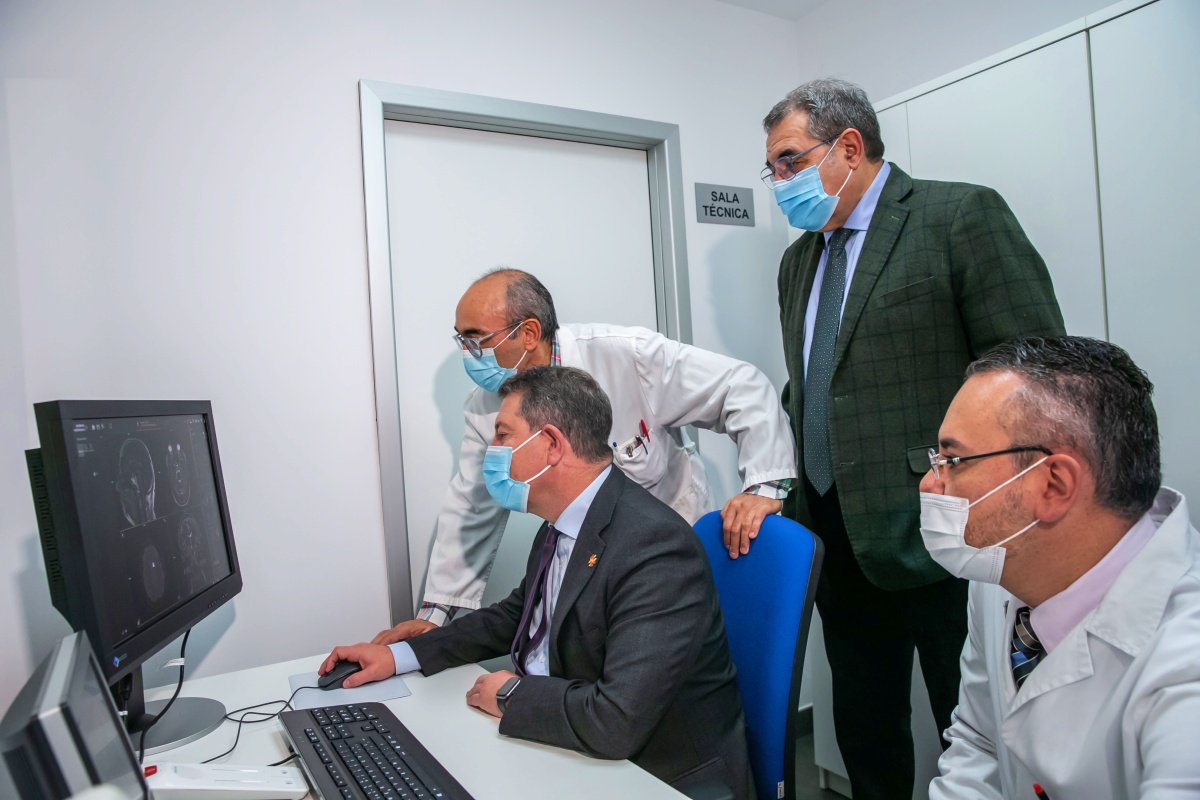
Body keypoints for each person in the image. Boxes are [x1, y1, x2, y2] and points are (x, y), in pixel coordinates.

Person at [762, 78, 1065, 798]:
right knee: (866, 726)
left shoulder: (957, 216)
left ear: (849, 147)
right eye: (771, 168)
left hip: (947, 526)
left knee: (984, 724)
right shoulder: (799, 262)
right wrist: (777, 483)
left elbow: (1035, 372)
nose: (779, 182)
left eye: (788, 161)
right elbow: (813, 385)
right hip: (836, 533)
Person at [323, 366, 753, 799]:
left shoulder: (654, 547)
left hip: (656, 777)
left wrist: (511, 694)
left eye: (502, 435)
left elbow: (616, 720)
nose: (492, 449)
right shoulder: (565, 522)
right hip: (570, 746)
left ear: (550, 444)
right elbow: (520, 613)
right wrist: (400, 655)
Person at [377, 267, 796, 642]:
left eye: (476, 340)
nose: (468, 354)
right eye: (461, 340)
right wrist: (435, 617)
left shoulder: (626, 355)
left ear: (528, 333)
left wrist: (765, 486)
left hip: (669, 553)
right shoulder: (486, 406)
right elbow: (470, 508)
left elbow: (740, 386)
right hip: (586, 560)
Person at [921, 336, 1200, 798]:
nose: (930, 484)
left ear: (1053, 484)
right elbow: (980, 742)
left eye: (953, 460)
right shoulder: (1002, 567)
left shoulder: (1186, 664)